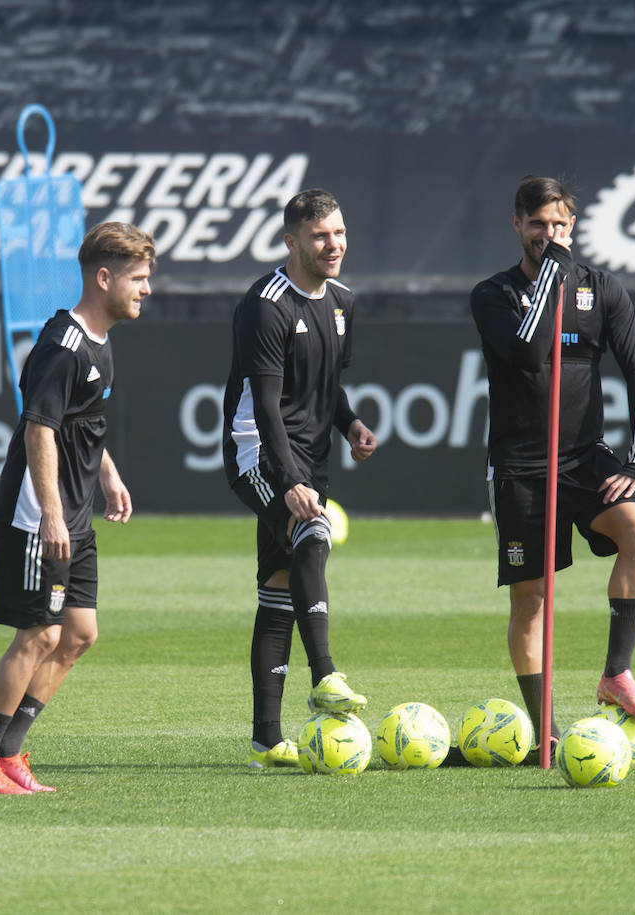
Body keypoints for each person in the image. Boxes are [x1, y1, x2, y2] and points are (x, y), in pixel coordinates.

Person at [0, 222, 153, 794]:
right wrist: (48, 513)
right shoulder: (63, 344)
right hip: (39, 516)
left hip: (75, 512)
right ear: (103, 277)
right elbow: (39, 429)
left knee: (79, 634)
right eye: (138, 279)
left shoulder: (101, 341)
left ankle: (10, 754)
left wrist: (109, 477)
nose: (146, 290)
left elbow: (81, 421)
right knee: (38, 636)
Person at [469, 174, 635, 757]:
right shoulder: (493, 295)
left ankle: (616, 674)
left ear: (572, 225)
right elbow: (528, 352)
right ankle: (546, 730)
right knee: (531, 601)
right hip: (521, 466)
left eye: (558, 225)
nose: (547, 235)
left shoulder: (602, 289)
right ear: (517, 226)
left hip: (585, 459)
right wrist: (551, 273)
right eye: (536, 225)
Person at [221, 188, 380, 769]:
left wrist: (352, 423)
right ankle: (326, 675)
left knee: (278, 590)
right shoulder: (266, 304)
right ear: (292, 241)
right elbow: (265, 404)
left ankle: (267, 738)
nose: (334, 244)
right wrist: (288, 478)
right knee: (312, 536)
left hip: (307, 460)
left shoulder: (341, 301)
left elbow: (325, 385)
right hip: (258, 454)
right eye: (320, 236)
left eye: (339, 233)